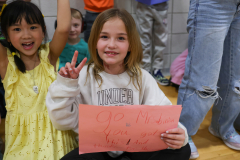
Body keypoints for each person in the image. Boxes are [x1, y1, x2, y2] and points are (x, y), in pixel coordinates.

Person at [46, 8, 191, 160]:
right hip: (98, 149)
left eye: (121, 38)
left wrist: (179, 133)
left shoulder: (142, 77)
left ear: (131, 44)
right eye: (104, 37)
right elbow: (61, 122)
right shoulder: (83, 76)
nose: (112, 44)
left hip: (137, 148)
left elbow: (164, 113)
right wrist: (66, 85)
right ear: (95, 41)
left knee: (183, 149)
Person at [0, 1, 78, 159]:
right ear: (7, 36)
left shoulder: (48, 56)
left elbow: (63, 28)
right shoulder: (5, 63)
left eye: (33, 27)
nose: (26, 35)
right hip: (21, 148)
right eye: (17, 29)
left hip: (57, 143)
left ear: (43, 31)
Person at [177, 0, 240, 159]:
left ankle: (223, 127)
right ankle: (182, 133)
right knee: (202, 81)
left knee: (236, 80)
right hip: (214, 4)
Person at [136, 0, 169, 86]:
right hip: (143, 4)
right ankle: (145, 71)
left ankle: (157, 70)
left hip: (161, 5)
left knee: (161, 40)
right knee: (144, 40)